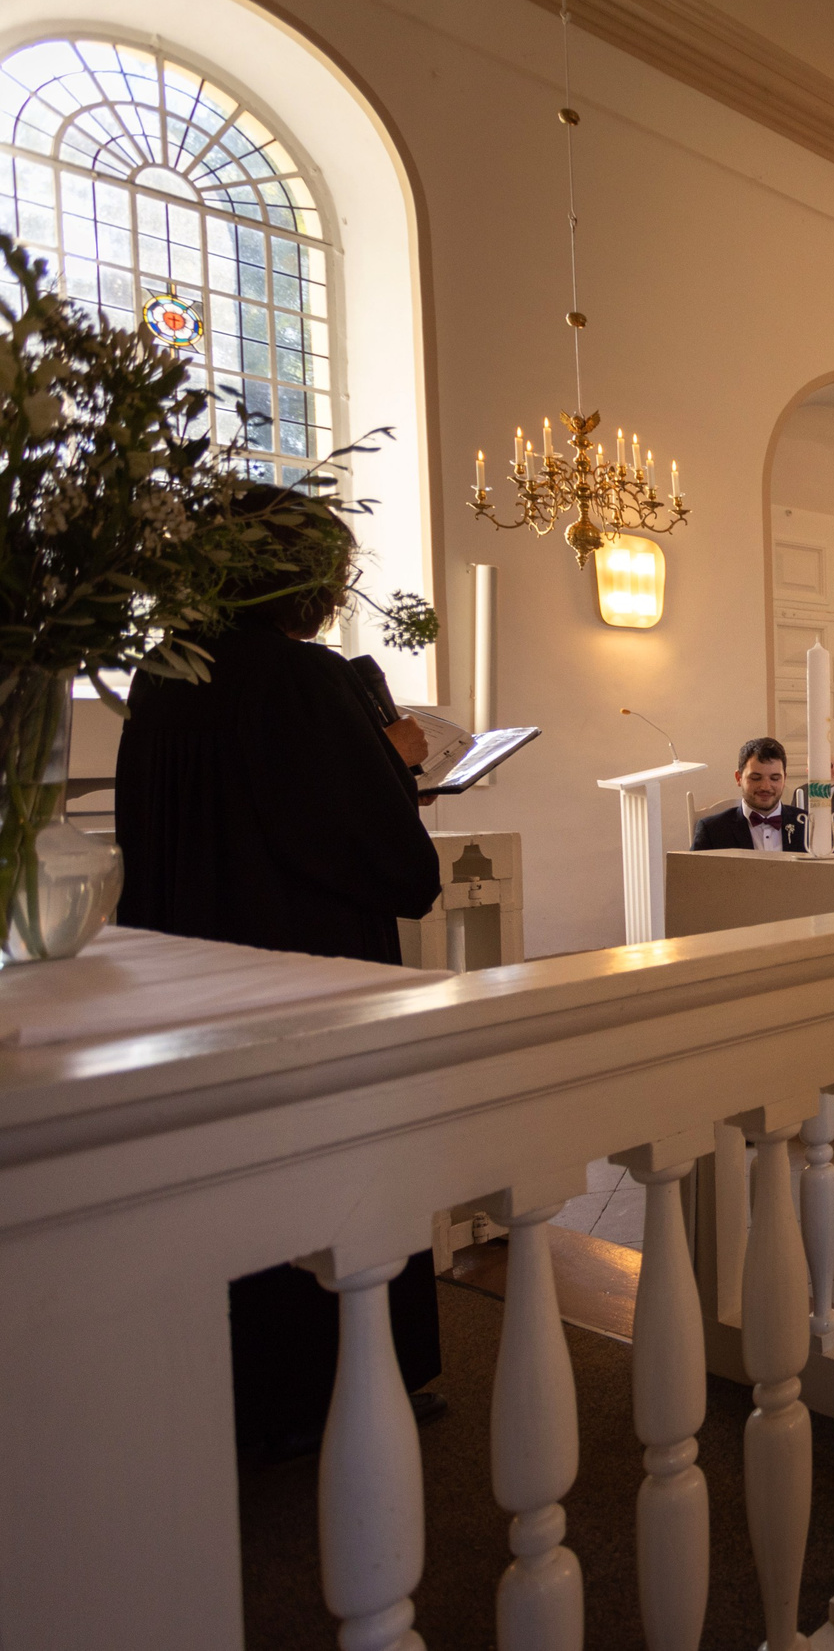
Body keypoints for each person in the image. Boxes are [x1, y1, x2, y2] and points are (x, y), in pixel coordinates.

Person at [113, 495, 446, 1466]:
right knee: (333, 1188)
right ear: (305, 583)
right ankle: (330, 1394)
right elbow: (397, 867)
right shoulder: (308, 681)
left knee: (231, 1192)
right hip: (310, 987)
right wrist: (397, 764)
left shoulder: (163, 676)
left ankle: (242, 1393)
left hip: (192, 989)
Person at [692, 737, 812, 852]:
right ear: (738, 778)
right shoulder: (712, 830)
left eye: (774, 778)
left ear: (784, 779)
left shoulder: (810, 825)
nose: (765, 787)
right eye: (756, 778)